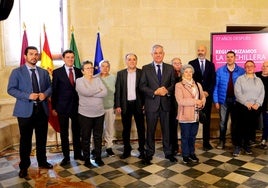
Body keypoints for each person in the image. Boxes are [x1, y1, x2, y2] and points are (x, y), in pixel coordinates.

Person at [7, 46, 53, 178]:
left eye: (36, 54)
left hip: (42, 110)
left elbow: (50, 87)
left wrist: (45, 94)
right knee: (25, 141)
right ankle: (24, 167)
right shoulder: (17, 72)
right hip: (25, 111)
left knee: (41, 139)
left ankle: (42, 161)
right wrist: (28, 96)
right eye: (31, 54)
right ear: (25, 56)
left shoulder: (43, 72)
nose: (34, 57)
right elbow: (11, 89)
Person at [139, 44, 176, 164]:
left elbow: (173, 84)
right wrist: (154, 92)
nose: (158, 55)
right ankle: (149, 153)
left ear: (163, 54)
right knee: (150, 130)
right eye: (156, 53)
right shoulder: (146, 68)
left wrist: (167, 91)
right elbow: (142, 86)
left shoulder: (170, 68)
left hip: (165, 104)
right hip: (151, 104)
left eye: (160, 53)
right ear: (152, 54)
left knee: (167, 130)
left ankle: (168, 153)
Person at [51, 50, 83, 166]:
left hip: (77, 107)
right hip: (62, 107)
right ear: (63, 59)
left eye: (72, 57)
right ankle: (66, 157)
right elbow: (54, 91)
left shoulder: (79, 71)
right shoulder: (57, 72)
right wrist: (54, 107)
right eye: (68, 57)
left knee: (77, 132)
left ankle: (78, 154)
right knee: (64, 133)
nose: (70, 59)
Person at [76, 61, 107, 167]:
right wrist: (98, 90)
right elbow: (85, 93)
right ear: (82, 71)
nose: (90, 70)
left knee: (98, 137)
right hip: (85, 114)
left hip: (99, 113)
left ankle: (98, 157)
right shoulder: (79, 81)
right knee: (86, 137)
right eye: (87, 68)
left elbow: (105, 92)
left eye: (91, 68)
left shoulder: (98, 79)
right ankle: (87, 159)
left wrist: (92, 92)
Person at [114, 53, 146, 159]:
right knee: (126, 129)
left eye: (134, 59)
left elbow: (145, 90)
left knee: (141, 128)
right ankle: (127, 150)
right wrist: (117, 105)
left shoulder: (142, 73)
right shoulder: (120, 74)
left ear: (136, 61)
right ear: (126, 61)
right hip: (125, 105)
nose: (132, 61)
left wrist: (145, 104)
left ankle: (142, 150)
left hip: (139, 104)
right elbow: (118, 90)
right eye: (129, 59)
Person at [213, 51, 245, 149]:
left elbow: (244, 87)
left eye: (231, 57)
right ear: (226, 58)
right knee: (223, 122)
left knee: (235, 123)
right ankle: (221, 141)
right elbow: (216, 86)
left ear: (235, 58)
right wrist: (216, 101)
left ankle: (235, 143)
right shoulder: (220, 70)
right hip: (224, 101)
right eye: (228, 57)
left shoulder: (241, 71)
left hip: (236, 101)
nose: (230, 58)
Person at [175, 64, 206, 164]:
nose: (188, 74)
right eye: (186, 72)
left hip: (196, 116)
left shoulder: (198, 85)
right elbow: (181, 101)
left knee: (193, 136)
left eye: (190, 71)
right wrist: (195, 101)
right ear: (183, 73)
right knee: (185, 137)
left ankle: (192, 153)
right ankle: (185, 155)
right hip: (185, 116)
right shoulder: (179, 85)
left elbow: (203, 97)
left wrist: (202, 104)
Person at [233, 60, 264, 156]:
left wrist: (258, 104)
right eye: (247, 66)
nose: (249, 68)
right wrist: (246, 103)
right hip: (242, 107)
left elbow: (262, 93)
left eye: (251, 66)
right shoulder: (240, 79)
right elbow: (238, 93)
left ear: (254, 67)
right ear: (245, 68)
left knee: (250, 128)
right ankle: (238, 146)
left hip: (254, 108)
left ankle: (246, 146)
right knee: (239, 128)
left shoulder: (259, 80)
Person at [189, 45, 216, 151]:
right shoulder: (191, 63)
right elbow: (191, 79)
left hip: (207, 97)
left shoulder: (211, 65)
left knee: (207, 120)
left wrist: (207, 92)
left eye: (202, 50)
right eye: (199, 50)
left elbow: (213, 81)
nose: (200, 52)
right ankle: (192, 142)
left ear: (206, 51)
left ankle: (206, 142)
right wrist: (199, 92)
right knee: (194, 119)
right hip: (196, 97)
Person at [99, 60, 116, 156]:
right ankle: (95, 148)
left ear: (109, 68)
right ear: (99, 67)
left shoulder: (113, 78)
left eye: (107, 66)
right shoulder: (95, 78)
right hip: (97, 108)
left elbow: (117, 92)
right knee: (97, 129)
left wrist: (117, 105)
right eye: (103, 66)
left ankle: (109, 147)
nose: (105, 68)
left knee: (109, 128)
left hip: (110, 107)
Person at [170, 57, 182, 155]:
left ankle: (185, 147)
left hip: (183, 106)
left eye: (179, 63)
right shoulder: (170, 75)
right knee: (173, 128)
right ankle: (174, 147)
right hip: (172, 106)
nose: (177, 65)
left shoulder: (185, 75)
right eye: (175, 63)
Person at [255, 60, 268, 149]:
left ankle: (264, 139)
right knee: (252, 120)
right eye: (263, 66)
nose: (264, 67)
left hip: (266, 104)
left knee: (266, 122)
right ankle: (251, 139)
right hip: (255, 103)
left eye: (266, 66)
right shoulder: (256, 75)